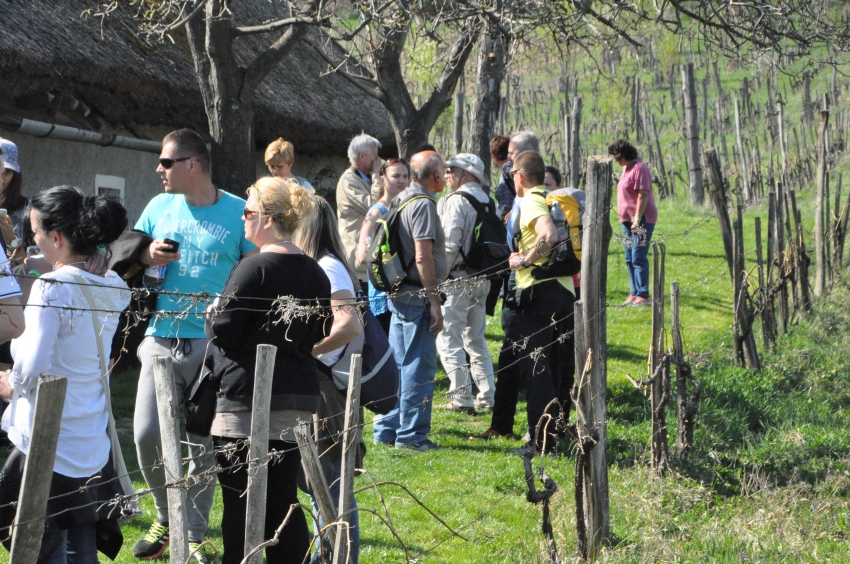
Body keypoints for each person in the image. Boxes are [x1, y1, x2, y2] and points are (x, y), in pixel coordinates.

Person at [132, 129, 257, 562]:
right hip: (161, 336)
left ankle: (194, 534)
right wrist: (149, 255)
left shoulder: (240, 213)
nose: (158, 169)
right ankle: (168, 517)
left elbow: (257, 271)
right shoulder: (157, 206)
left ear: (193, 164)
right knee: (147, 434)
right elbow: (127, 253)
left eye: (166, 162)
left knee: (201, 444)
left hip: (212, 345)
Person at [0, 186, 129, 562]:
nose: (33, 242)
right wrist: (102, 254)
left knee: (41, 543)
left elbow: (32, 367)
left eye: (36, 235)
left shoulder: (53, 288)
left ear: (55, 237)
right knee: (79, 541)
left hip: (46, 437)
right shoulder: (114, 285)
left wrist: (10, 386)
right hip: (88, 436)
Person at [205, 176, 329, 564]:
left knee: (240, 504)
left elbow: (224, 329)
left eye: (248, 213)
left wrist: (213, 315)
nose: (243, 220)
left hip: (243, 404)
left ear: (269, 219)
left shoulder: (252, 268)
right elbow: (319, 331)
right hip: (294, 402)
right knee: (281, 500)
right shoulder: (316, 272)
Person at [296, 195, 365, 563]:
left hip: (327, 389)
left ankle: (338, 557)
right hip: (324, 386)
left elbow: (349, 322)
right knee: (322, 480)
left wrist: (310, 350)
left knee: (332, 484)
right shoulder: (325, 264)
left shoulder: (327, 266)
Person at [491, 151, 575, 454]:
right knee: (552, 368)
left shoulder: (530, 201)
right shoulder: (551, 198)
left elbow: (549, 235)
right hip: (563, 291)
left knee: (536, 370)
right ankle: (553, 435)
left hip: (538, 293)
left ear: (520, 176)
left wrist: (524, 259)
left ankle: (541, 443)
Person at [372, 150, 447, 452]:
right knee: (418, 366)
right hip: (417, 297)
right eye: (443, 170)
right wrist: (434, 301)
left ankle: (387, 429)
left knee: (399, 364)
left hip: (399, 294)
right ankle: (412, 436)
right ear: (435, 176)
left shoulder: (401, 199)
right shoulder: (423, 205)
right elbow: (422, 255)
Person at [436, 153, 496, 414]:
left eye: (453, 170)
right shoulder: (488, 201)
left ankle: (461, 398)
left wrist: (438, 279)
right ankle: (488, 395)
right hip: (481, 279)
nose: (447, 174)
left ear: (466, 174)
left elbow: (450, 244)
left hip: (457, 279)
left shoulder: (456, 201)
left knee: (448, 338)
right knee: (476, 339)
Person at [355, 158, 410, 334]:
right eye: (396, 176)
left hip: (403, 291)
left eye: (405, 176)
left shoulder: (405, 207)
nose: (402, 180)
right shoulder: (377, 212)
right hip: (383, 293)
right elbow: (362, 255)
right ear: (382, 179)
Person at [609, 139, 657, 306]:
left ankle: (643, 294)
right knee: (629, 257)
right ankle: (633, 292)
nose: (615, 160)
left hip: (641, 220)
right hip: (627, 222)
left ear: (625, 155)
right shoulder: (626, 169)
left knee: (638, 256)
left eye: (617, 156)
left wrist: (637, 219)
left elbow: (642, 195)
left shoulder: (639, 168)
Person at [336, 133, 383, 293]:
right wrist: (377, 176)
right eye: (375, 156)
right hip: (355, 257)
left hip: (370, 255)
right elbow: (373, 205)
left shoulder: (365, 178)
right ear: (362, 156)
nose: (378, 161)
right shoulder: (348, 180)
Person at [544, 165, 583, 299]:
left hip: (572, 279)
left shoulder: (570, 211)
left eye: (547, 184)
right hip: (547, 281)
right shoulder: (536, 210)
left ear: (559, 186)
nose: (544, 190)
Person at [494, 131, 539, 221]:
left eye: (511, 153)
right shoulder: (507, 169)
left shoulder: (544, 176)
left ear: (526, 153)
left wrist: (518, 212)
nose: (507, 157)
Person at [0, 138, 29, 243]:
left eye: (6, 171)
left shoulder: (29, 212)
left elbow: (33, 255)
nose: (1, 178)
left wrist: (11, 240)